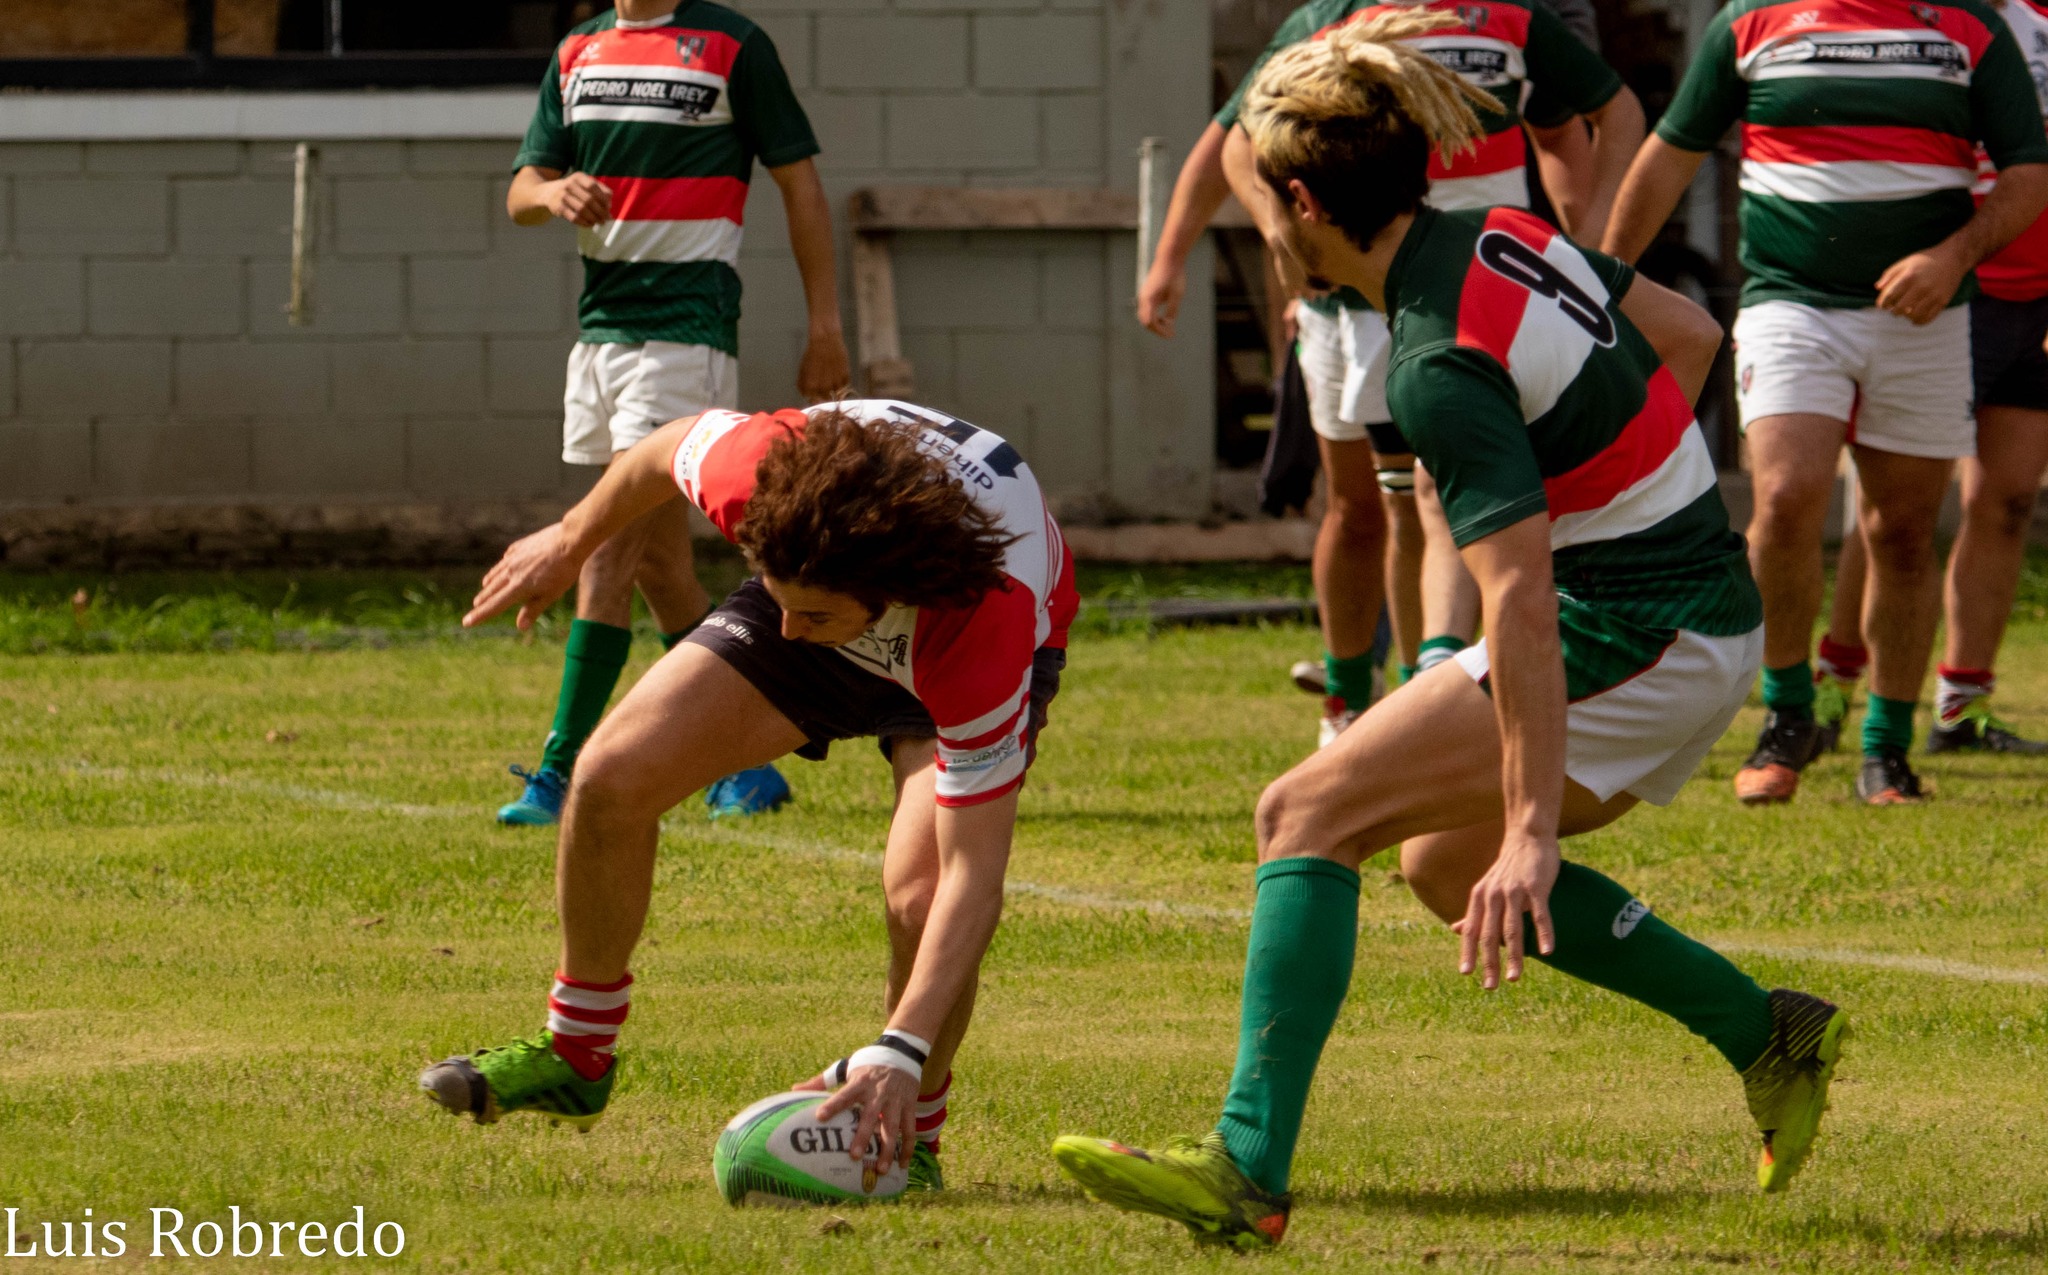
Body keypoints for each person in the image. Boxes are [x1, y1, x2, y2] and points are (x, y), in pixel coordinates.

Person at [1050, 15, 1846, 1248]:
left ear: (1303, 202)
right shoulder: (1501, 231)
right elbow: (1688, 338)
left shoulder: (1431, 362)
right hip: (1664, 607)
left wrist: (1531, 829)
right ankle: (1769, 1032)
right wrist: (1614, 477)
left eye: (1261, 199)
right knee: (1430, 862)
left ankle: (1244, 1169)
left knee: (1300, 813)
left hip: (1636, 627)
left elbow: (1521, 599)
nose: (1258, 221)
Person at [421, 399, 1078, 1196]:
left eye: (814, 615)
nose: (791, 633)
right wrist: (569, 540)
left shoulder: (984, 621)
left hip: (946, 614)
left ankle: (909, 1132)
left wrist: (899, 1047)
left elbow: (975, 877)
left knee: (922, 894)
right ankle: (575, 1054)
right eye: (781, 603)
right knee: (610, 777)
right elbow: (662, 450)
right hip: (841, 575)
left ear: (883, 595)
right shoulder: (762, 476)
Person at [1145, 0, 1645, 746]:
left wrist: (1597, 230)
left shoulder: (1510, 18)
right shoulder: (1331, 15)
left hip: (1468, 291)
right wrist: (1239, 245)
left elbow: (1583, 121)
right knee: (1358, 508)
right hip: (1347, 298)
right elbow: (1234, 143)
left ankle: (1429, 690)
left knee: (1434, 494)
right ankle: (1352, 695)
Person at [1600, 0, 2048, 804]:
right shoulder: (1749, 23)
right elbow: (1671, 153)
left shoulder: (1968, 25)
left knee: (1903, 531)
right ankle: (1788, 716)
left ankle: (1886, 746)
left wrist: (1953, 258)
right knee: (1783, 495)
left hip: (1926, 315)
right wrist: (1601, 282)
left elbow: (2028, 172)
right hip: (1790, 305)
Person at [495, 0, 851, 827]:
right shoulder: (579, 50)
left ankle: (561, 769)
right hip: (600, 337)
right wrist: (552, 194)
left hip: (684, 336)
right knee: (660, 567)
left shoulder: (734, 46)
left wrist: (825, 326)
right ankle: (748, 766)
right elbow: (518, 189)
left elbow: (800, 185)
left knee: (605, 554)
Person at [1811, 0, 2048, 758]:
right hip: (1948, 284)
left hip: (2036, 293)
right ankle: (1832, 684)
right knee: (1896, 499)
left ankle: (1962, 707)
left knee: (2008, 499)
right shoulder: (1943, 16)